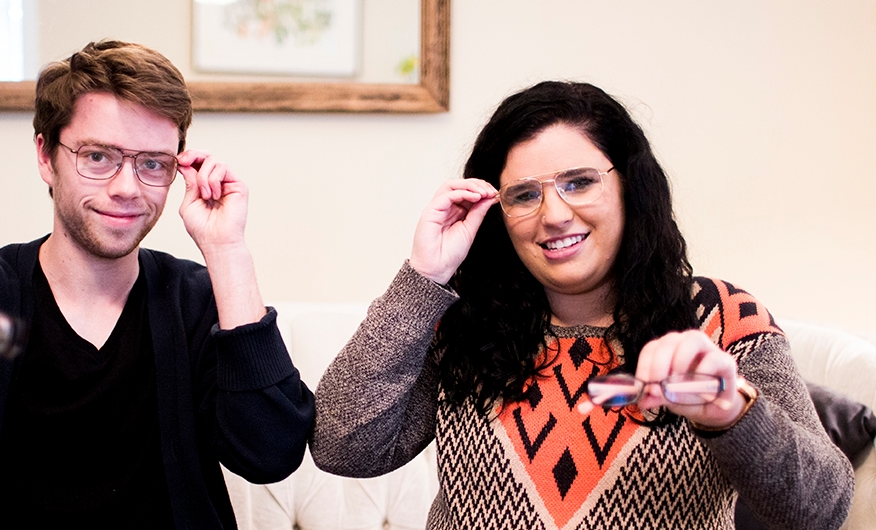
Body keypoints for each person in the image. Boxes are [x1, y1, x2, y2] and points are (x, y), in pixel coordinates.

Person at [0, 40, 314, 529]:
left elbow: (270, 453)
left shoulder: (193, 304)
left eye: (152, 164)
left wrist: (227, 252)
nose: (126, 187)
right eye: (98, 157)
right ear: (46, 156)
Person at [310, 81, 852, 529]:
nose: (553, 214)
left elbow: (821, 511)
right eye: (524, 194)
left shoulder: (721, 319)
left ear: (629, 190)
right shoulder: (464, 322)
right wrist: (422, 279)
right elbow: (342, 446)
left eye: (579, 183)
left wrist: (731, 412)